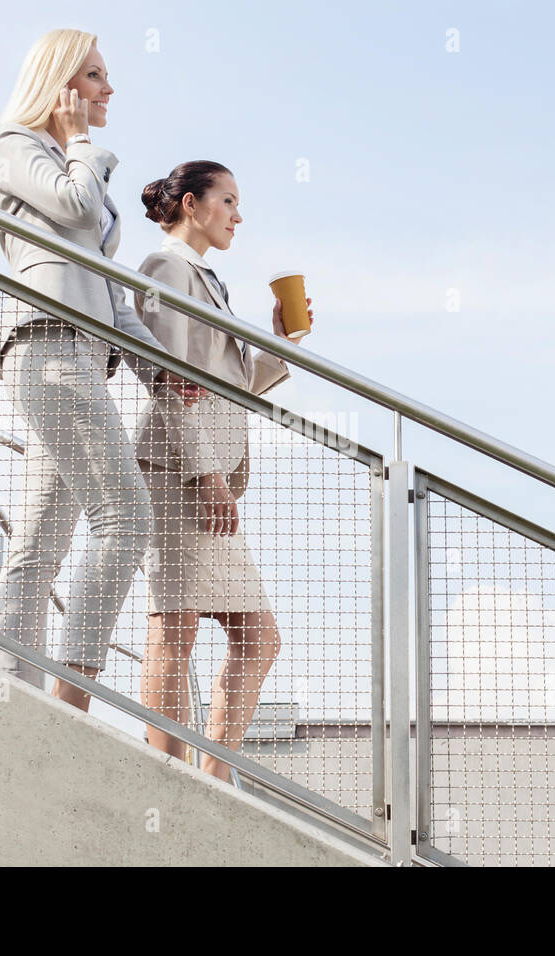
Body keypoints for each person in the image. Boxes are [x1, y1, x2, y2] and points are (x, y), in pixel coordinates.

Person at [0, 28, 204, 712]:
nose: (110, 89)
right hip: (51, 349)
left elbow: (110, 297)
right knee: (126, 519)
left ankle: (5, 697)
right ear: (63, 86)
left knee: (38, 546)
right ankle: (71, 697)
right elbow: (73, 205)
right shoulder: (13, 146)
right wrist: (79, 144)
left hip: (81, 354)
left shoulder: (72, 168)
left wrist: (158, 371)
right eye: (97, 76)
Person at [132, 161, 315, 780]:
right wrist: (206, 473)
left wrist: (280, 343)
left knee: (258, 637)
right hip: (180, 472)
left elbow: (230, 387)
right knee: (174, 626)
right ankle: (169, 778)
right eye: (228, 201)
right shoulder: (165, 269)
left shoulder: (208, 281)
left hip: (209, 476)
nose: (239, 215)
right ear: (190, 204)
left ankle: (212, 777)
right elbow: (168, 383)